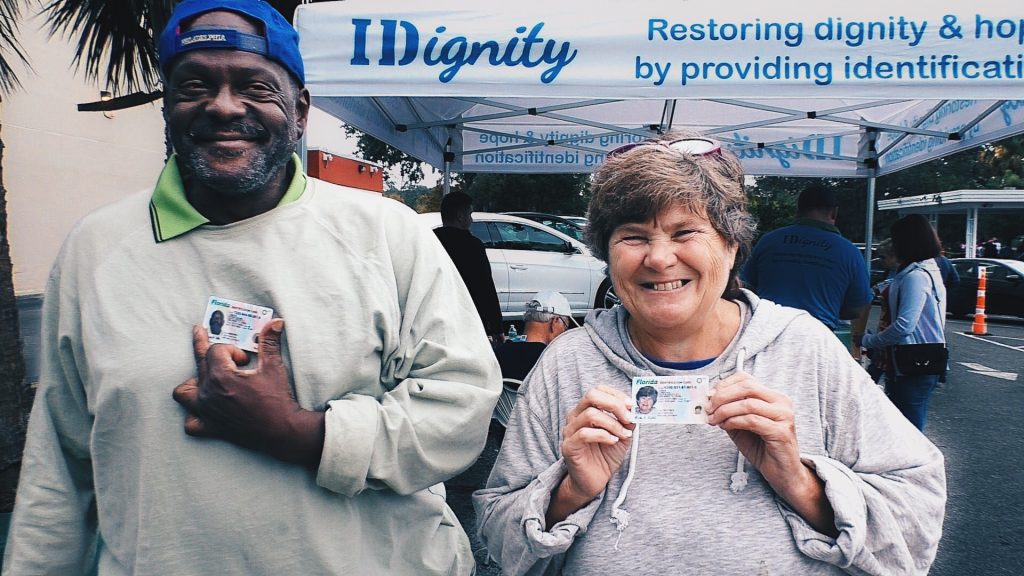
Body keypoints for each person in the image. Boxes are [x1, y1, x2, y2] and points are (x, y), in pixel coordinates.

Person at [3, 1, 500, 574]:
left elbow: (462, 407)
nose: (222, 105)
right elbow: (59, 469)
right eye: (194, 85)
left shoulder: (385, 233)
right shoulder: (95, 251)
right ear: (168, 107)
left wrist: (298, 432)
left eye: (254, 86)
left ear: (300, 111)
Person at [473, 133, 945, 575]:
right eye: (633, 235)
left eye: (685, 232)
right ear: (607, 251)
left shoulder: (806, 349)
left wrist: (800, 482)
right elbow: (497, 532)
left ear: (732, 244)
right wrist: (570, 492)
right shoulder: (567, 362)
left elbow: (916, 519)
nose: (658, 258)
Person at [741, 184, 872, 351]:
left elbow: (746, 287)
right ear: (834, 212)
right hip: (817, 340)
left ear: (799, 210)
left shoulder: (769, 241)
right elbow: (857, 309)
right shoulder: (849, 252)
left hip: (767, 336)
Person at [861, 215, 947, 431]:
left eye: (896, 238)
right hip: (917, 360)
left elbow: (904, 326)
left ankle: (919, 465)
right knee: (906, 423)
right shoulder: (922, 270)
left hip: (913, 362)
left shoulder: (916, 276)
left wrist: (869, 340)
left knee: (909, 429)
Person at [433, 191, 505, 341]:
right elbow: (485, 287)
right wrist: (496, 327)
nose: (471, 220)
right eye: (470, 214)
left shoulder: (429, 241)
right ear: (460, 215)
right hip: (467, 318)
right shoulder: (472, 246)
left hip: (435, 316)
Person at [494, 290, 575, 381]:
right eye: (565, 325)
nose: (565, 331)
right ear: (555, 322)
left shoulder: (497, 355)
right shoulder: (556, 363)